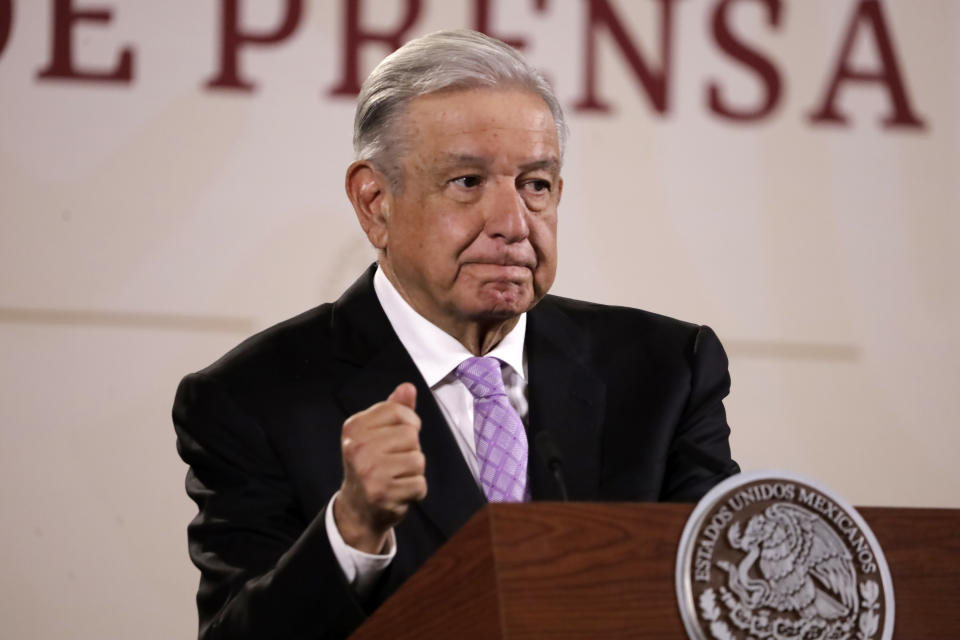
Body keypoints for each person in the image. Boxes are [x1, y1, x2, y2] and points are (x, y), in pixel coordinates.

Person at [173, 29, 737, 640]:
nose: (513, 224)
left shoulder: (665, 372)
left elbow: (725, 597)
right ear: (375, 203)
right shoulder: (253, 400)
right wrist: (353, 531)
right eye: (467, 183)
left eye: (535, 184)